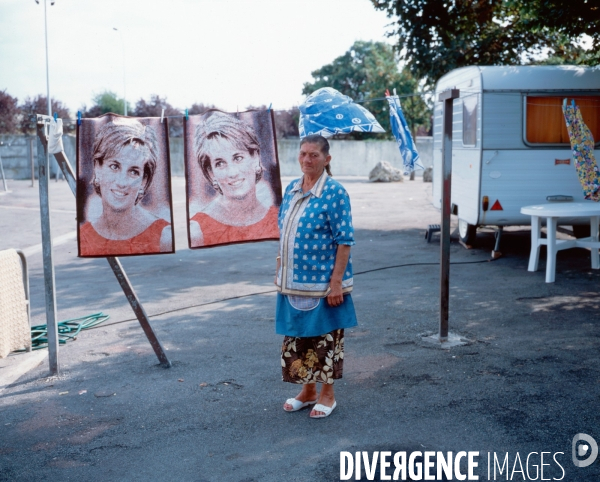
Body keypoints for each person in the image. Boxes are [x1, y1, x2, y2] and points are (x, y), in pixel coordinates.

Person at [275, 134, 358, 419]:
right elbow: (283, 230)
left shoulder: (335, 192)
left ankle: (328, 395)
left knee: (325, 340)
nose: (307, 160)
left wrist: (336, 283)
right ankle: (308, 391)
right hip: (294, 282)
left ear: (327, 159)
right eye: (303, 154)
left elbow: (344, 241)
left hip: (323, 285)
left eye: (314, 155)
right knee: (298, 338)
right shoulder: (292, 189)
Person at [79, 119, 172, 256]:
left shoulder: (164, 237)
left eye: (133, 172)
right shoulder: (84, 236)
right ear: (98, 168)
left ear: (143, 182)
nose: (122, 182)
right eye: (114, 167)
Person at [189, 111, 279, 247]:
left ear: (255, 158)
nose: (232, 173)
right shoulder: (198, 230)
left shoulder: (276, 219)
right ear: (211, 172)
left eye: (238, 158)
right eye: (220, 163)